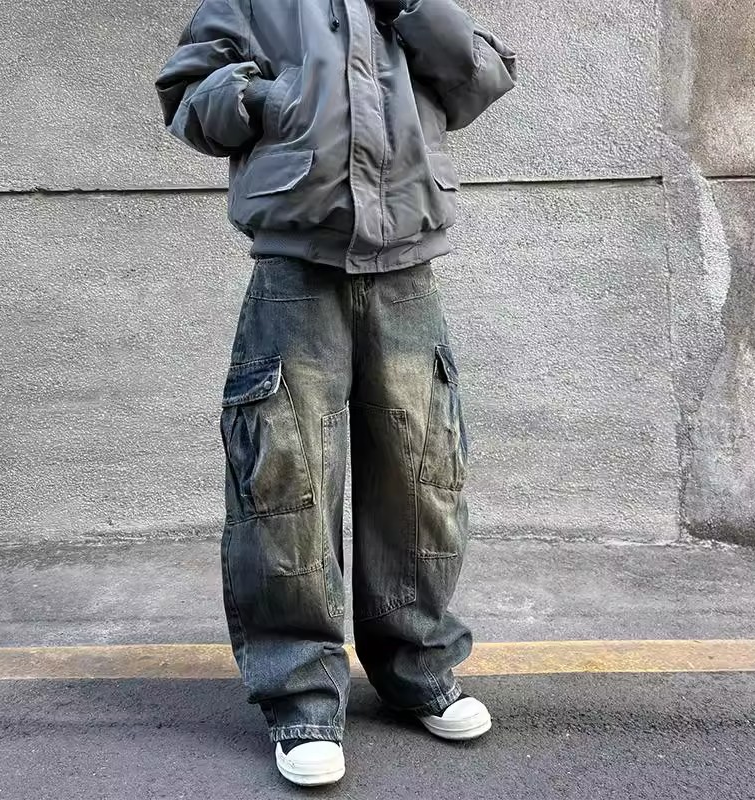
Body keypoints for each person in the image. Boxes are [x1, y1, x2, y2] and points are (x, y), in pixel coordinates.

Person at [155, 0, 517, 786]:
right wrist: (262, 99)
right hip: (296, 266)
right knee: (285, 483)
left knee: (422, 478)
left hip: (407, 266)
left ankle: (418, 666)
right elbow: (186, 93)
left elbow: (481, 77)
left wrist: (412, 10)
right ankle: (302, 701)